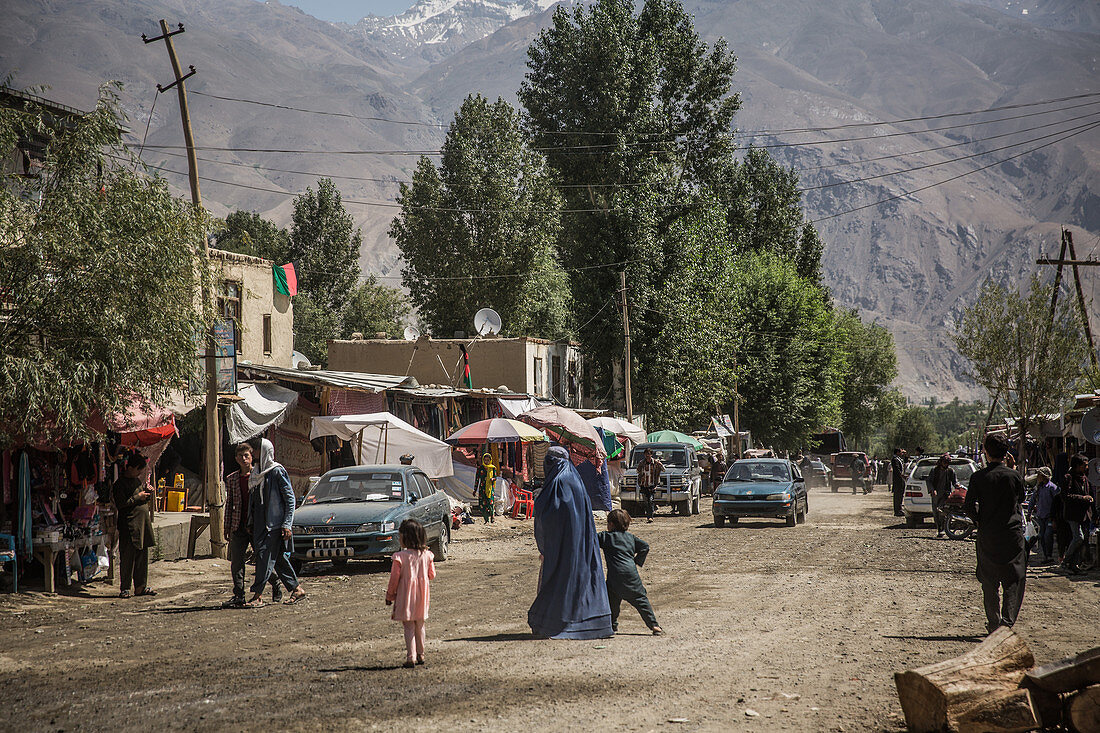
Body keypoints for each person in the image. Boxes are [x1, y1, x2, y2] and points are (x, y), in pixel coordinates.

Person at [528, 446, 613, 639]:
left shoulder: (557, 484)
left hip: (560, 547)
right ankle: (588, 623)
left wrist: (544, 547)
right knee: (579, 582)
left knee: (558, 583)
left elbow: (546, 518)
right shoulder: (576, 480)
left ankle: (556, 624)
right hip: (581, 545)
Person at [964, 434, 1027, 633]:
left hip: (988, 536)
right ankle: (1006, 624)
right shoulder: (1013, 476)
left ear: (986, 452)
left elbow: (968, 506)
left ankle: (993, 622)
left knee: (989, 581)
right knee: (1013, 579)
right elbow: (1021, 498)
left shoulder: (978, 477)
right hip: (1011, 536)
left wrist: (979, 522)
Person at [245, 438, 306, 608]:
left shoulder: (277, 471)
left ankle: (257, 595)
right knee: (277, 559)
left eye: (256, 450)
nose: (253, 453)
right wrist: (250, 521)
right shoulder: (256, 473)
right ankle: (296, 589)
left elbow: (290, 499)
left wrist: (287, 524)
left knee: (264, 557)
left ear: (263, 451)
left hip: (274, 525)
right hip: (259, 525)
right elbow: (254, 501)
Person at [223, 443, 281, 608]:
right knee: (237, 562)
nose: (243, 459)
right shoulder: (232, 478)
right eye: (240, 456)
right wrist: (227, 527)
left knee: (262, 560)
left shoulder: (259, 476)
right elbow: (230, 504)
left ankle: (275, 583)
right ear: (236, 459)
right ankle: (239, 595)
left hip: (257, 526)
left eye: (246, 455)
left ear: (252, 457)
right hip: (238, 525)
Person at [598, 509, 662, 635]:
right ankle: (654, 625)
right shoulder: (630, 537)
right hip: (631, 575)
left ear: (610, 524)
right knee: (641, 600)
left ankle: (612, 625)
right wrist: (635, 561)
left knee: (612, 600)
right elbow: (645, 547)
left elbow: (589, 539)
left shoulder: (606, 537)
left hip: (615, 577)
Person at [385, 519, 436, 668]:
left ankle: (410, 657)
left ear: (406, 538)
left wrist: (390, 596)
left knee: (408, 627)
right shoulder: (427, 555)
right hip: (422, 596)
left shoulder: (399, 557)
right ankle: (421, 654)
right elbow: (432, 575)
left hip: (405, 596)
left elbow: (394, 579)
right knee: (420, 625)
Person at [113, 452, 156, 598]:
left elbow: (140, 501)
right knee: (127, 559)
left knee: (142, 558)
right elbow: (122, 504)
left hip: (141, 526)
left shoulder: (137, 481)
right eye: (138, 470)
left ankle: (140, 587)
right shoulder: (119, 484)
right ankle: (125, 588)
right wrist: (138, 497)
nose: (139, 473)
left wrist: (146, 495)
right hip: (129, 526)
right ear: (130, 467)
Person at [1059, 454, 1093, 575]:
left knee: (1081, 540)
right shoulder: (1068, 478)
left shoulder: (1084, 479)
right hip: (1073, 514)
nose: (1086, 468)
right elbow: (1065, 496)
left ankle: (1074, 565)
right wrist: (1082, 498)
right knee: (1079, 537)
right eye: (1084, 465)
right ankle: (1065, 563)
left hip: (1084, 514)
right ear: (1078, 466)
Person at [1025, 467, 1058, 564]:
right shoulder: (1038, 488)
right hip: (1040, 516)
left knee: (1048, 535)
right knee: (1042, 536)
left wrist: (1055, 517)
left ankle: (1049, 555)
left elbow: (1057, 503)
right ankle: (1046, 556)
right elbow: (1032, 501)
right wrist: (1029, 513)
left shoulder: (1052, 488)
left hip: (1049, 517)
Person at [926, 454, 960, 538]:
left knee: (943, 512)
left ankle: (943, 529)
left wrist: (957, 486)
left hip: (946, 494)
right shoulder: (934, 470)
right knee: (936, 512)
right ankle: (939, 529)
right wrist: (932, 490)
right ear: (941, 462)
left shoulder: (950, 471)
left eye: (947, 463)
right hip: (936, 495)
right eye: (945, 462)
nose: (946, 464)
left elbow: (955, 481)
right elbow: (929, 481)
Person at [637, 448, 664, 523]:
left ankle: (650, 516)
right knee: (646, 501)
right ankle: (648, 515)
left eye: (649, 454)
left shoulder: (655, 462)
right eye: (646, 454)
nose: (647, 455)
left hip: (652, 485)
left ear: (651, 454)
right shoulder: (642, 463)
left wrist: (660, 465)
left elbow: (663, 469)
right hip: (644, 485)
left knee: (651, 500)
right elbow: (638, 471)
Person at [474, 453, 497, 524]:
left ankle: (492, 516)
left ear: (490, 460)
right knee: (482, 505)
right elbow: (477, 479)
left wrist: (492, 479)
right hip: (482, 488)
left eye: (488, 460)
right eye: (485, 460)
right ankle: (486, 519)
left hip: (490, 489)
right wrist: (475, 490)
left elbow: (495, 477)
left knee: (490, 503)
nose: (486, 461)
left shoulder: (493, 468)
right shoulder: (480, 468)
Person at [891, 448, 906, 517]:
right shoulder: (894, 459)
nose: (902, 453)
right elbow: (897, 469)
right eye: (900, 452)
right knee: (898, 495)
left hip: (900, 479)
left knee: (900, 495)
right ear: (897, 452)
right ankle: (897, 510)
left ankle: (899, 509)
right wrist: (901, 475)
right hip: (898, 480)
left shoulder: (898, 459)